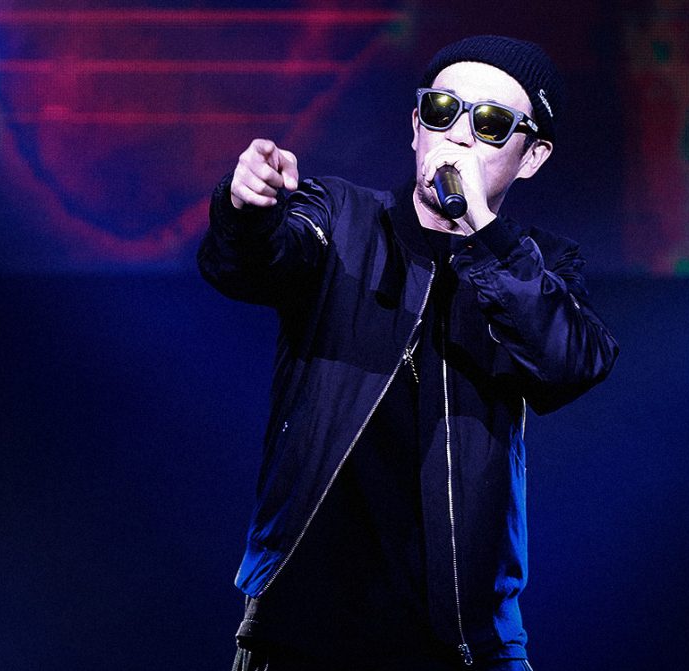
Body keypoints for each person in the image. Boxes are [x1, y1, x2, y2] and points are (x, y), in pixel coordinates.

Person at [198, 35, 619, 671]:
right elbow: (253, 265)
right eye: (443, 110)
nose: (459, 136)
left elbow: (571, 364)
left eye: (490, 123)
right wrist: (247, 210)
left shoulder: (539, 264)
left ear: (531, 156)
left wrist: (482, 232)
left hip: (465, 643)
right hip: (301, 633)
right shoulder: (340, 215)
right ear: (417, 125)